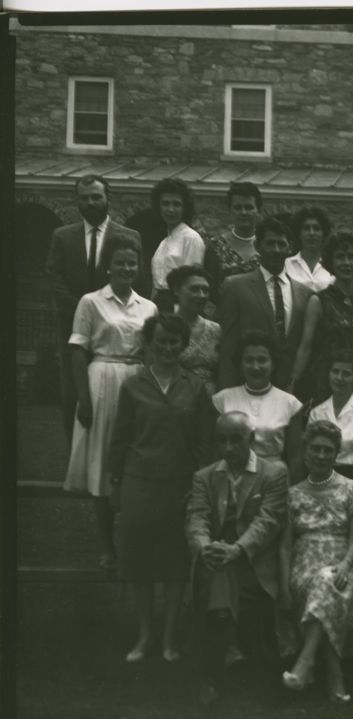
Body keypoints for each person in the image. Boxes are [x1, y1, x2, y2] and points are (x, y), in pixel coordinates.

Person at [108, 313, 212, 664]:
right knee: (139, 562)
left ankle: (168, 639)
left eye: (174, 342)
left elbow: (203, 443)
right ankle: (143, 635)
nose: (167, 348)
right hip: (138, 483)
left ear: (183, 346)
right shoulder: (133, 385)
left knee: (173, 564)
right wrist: (116, 482)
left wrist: (198, 485)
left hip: (179, 486)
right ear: (149, 344)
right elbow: (120, 438)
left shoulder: (196, 387)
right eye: (161, 341)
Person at [62, 234, 157, 570]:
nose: (126, 268)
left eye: (132, 263)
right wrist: (83, 399)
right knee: (103, 464)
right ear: (108, 267)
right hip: (101, 379)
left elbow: (152, 353)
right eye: (120, 262)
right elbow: (77, 351)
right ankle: (107, 547)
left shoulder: (149, 307)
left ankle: (131, 544)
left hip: (136, 382)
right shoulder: (90, 302)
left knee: (134, 460)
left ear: (139, 267)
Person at [185, 411, 289, 706]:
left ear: (252, 439)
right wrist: (204, 547)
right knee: (219, 574)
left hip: (252, 561)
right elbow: (197, 519)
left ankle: (211, 675)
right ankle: (226, 653)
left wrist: (237, 550)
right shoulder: (204, 477)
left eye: (236, 440)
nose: (228, 448)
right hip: (215, 558)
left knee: (220, 579)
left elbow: (267, 523)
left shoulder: (274, 474)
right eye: (222, 441)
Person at [48, 174, 144, 439]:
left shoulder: (129, 236)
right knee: (73, 398)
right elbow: (55, 279)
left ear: (108, 198)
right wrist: (83, 311)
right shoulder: (63, 236)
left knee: (119, 401)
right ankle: (75, 465)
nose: (91, 202)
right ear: (77, 201)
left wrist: (109, 314)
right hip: (72, 329)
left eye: (96, 197)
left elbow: (138, 281)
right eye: (84, 198)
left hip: (115, 332)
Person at [279, 421, 353, 703]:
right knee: (320, 583)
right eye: (315, 449)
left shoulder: (352, 489)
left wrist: (346, 564)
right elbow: (285, 545)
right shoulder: (293, 494)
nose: (321, 455)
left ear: (336, 454)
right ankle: (334, 673)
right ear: (305, 453)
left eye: (328, 450)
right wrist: (284, 586)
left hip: (342, 566)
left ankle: (306, 664)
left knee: (327, 582)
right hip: (303, 565)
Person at [217, 217, 313, 390]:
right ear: (257, 246)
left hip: (291, 389)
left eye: (281, 244)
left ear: (290, 248)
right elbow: (228, 346)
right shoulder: (235, 287)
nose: (276, 250)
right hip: (248, 385)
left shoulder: (305, 294)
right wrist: (227, 391)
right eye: (270, 243)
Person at [290, 230, 353, 403]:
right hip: (325, 383)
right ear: (331, 261)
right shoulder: (318, 301)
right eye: (340, 257)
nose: (346, 262)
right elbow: (306, 347)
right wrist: (292, 385)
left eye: (352, 256)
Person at [211, 330, 304, 481]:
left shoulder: (290, 403)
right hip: (232, 477)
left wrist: (296, 494)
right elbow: (215, 452)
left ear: (273, 364)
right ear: (240, 364)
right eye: (249, 360)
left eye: (262, 360)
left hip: (274, 478)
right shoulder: (223, 399)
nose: (255, 367)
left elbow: (295, 457)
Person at [307, 350, 353, 482]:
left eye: (346, 374)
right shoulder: (316, 412)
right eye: (335, 371)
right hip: (323, 478)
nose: (339, 378)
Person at [149, 178, 205, 310]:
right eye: (165, 204)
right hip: (159, 305)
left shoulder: (191, 238)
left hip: (178, 306)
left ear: (184, 208)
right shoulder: (164, 242)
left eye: (176, 204)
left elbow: (193, 283)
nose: (170, 209)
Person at [204, 182, 263, 307]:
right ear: (230, 210)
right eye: (238, 207)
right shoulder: (215, 246)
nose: (243, 212)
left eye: (249, 207)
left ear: (258, 210)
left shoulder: (268, 246)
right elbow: (208, 289)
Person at [168, 265, 221, 395]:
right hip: (174, 397)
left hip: (209, 400)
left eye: (205, 290)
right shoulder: (165, 327)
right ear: (176, 290)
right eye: (194, 289)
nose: (201, 295)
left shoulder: (216, 329)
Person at [284, 206, 334, 293]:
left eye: (316, 228)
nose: (311, 233)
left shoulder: (332, 265)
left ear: (324, 234)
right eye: (306, 228)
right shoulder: (287, 265)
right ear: (299, 234)